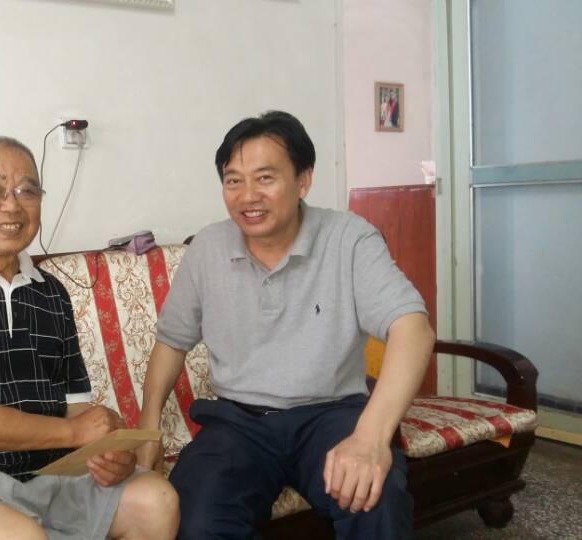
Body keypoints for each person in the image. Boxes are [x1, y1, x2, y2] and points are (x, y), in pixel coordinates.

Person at [135, 111, 435, 539]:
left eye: (265, 178)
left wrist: (371, 438)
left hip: (332, 414)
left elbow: (413, 328)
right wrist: (148, 427)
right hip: (238, 423)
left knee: (374, 500)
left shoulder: (348, 238)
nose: (248, 196)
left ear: (303, 180)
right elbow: (171, 341)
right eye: (233, 180)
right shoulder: (208, 248)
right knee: (195, 519)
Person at [0, 136, 179, 540]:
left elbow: (75, 410)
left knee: (156, 500)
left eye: (27, 191)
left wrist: (108, 451)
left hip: (44, 472)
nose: (12, 205)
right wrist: (76, 434)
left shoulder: (50, 292)